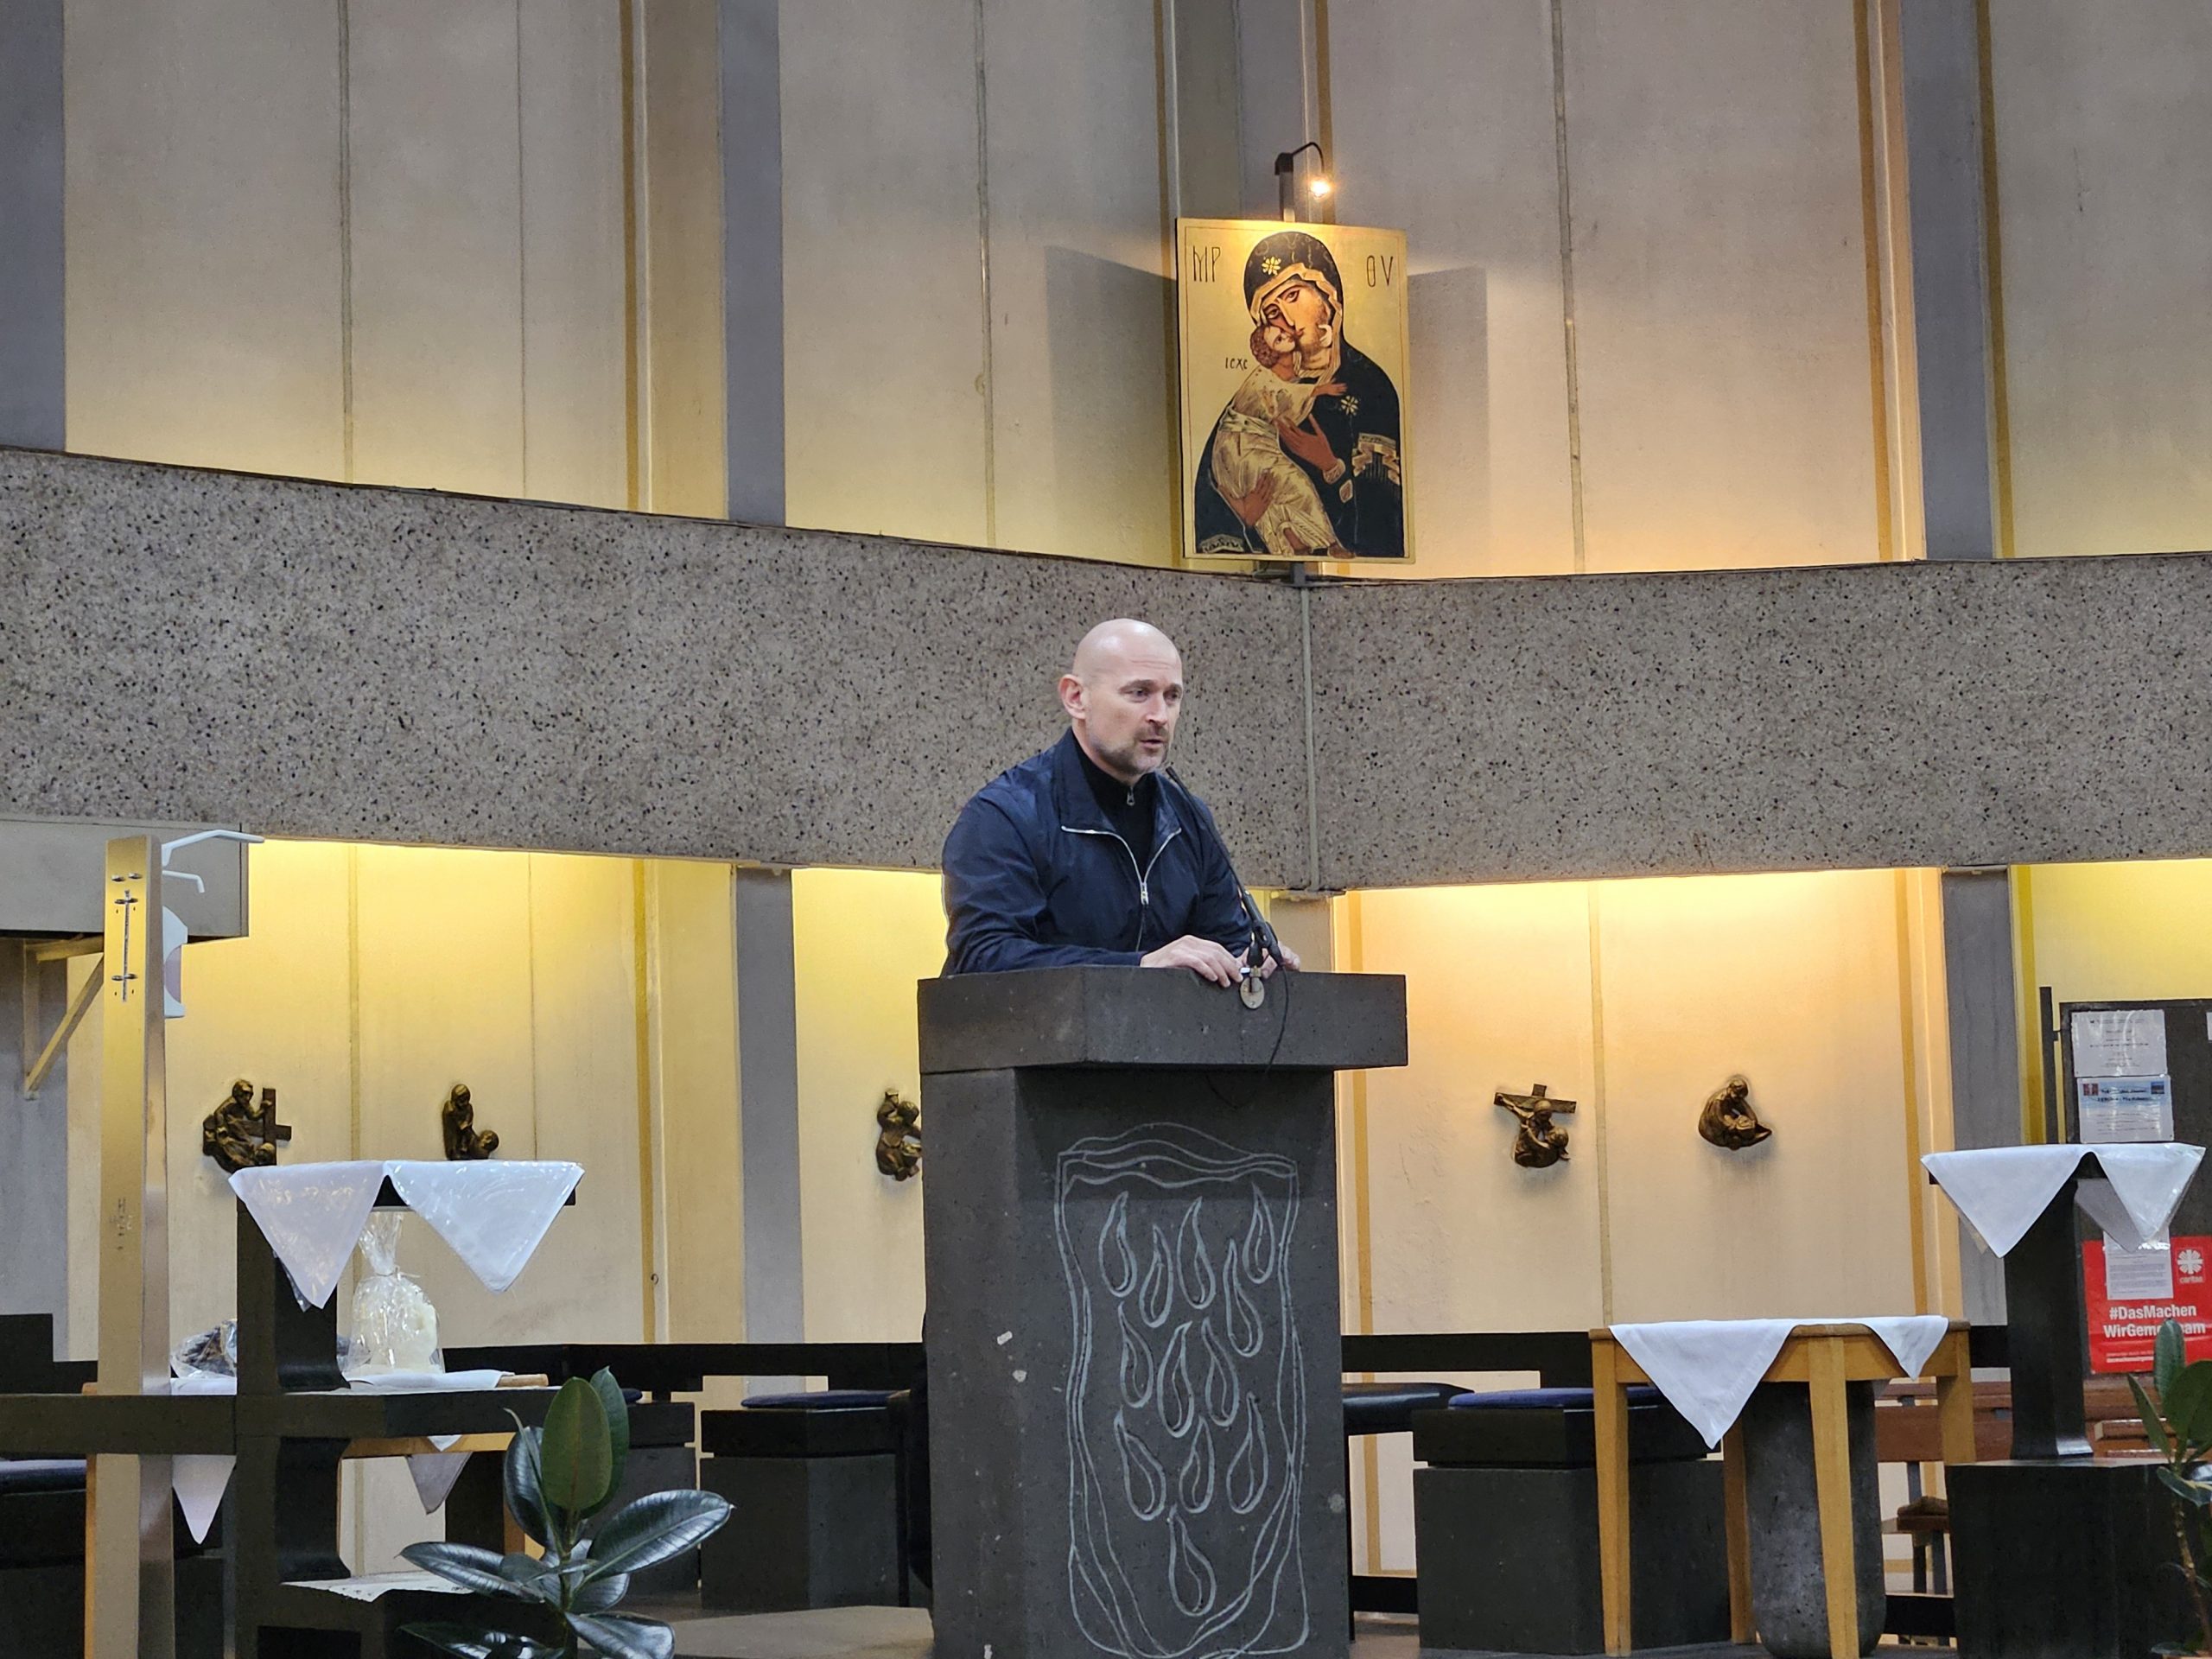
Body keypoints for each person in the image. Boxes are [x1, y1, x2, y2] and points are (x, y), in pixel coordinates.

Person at [941, 618, 1298, 985]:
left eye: (1172, 696)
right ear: (1076, 698)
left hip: (1164, 1024)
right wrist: (1139, 966)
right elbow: (983, 956)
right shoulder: (1005, 816)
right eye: (1139, 693)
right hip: (1035, 1024)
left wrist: (1250, 962)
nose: (1160, 716)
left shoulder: (1188, 818)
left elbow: (1224, 940)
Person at [1192, 228, 1405, 560]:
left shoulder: (1369, 387)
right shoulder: (1260, 394)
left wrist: (1331, 466)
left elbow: (1383, 517)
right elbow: (1213, 483)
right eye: (1273, 313)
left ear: (1328, 295)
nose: (1289, 321)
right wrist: (1242, 513)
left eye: (1293, 296)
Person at [1211, 319, 1349, 559]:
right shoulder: (1262, 378)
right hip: (1241, 448)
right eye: (1279, 339)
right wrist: (1319, 390)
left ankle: (1298, 546)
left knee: (1278, 497)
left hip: (1257, 444)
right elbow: (1281, 395)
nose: (1288, 334)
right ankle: (1327, 543)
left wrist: (1330, 464)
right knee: (1293, 484)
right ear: (1271, 353)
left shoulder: (1310, 374)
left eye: (1283, 333)